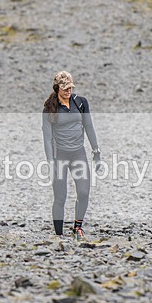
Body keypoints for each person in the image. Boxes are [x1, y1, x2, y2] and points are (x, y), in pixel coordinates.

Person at [41, 71, 102, 240]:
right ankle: (59, 235)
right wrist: (50, 162)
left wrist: (96, 152)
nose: (68, 91)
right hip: (59, 155)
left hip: (78, 153)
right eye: (65, 88)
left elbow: (89, 127)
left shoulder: (80, 103)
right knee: (60, 196)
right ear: (57, 88)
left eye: (70, 87)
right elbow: (47, 138)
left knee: (83, 192)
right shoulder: (49, 108)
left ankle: (78, 227)